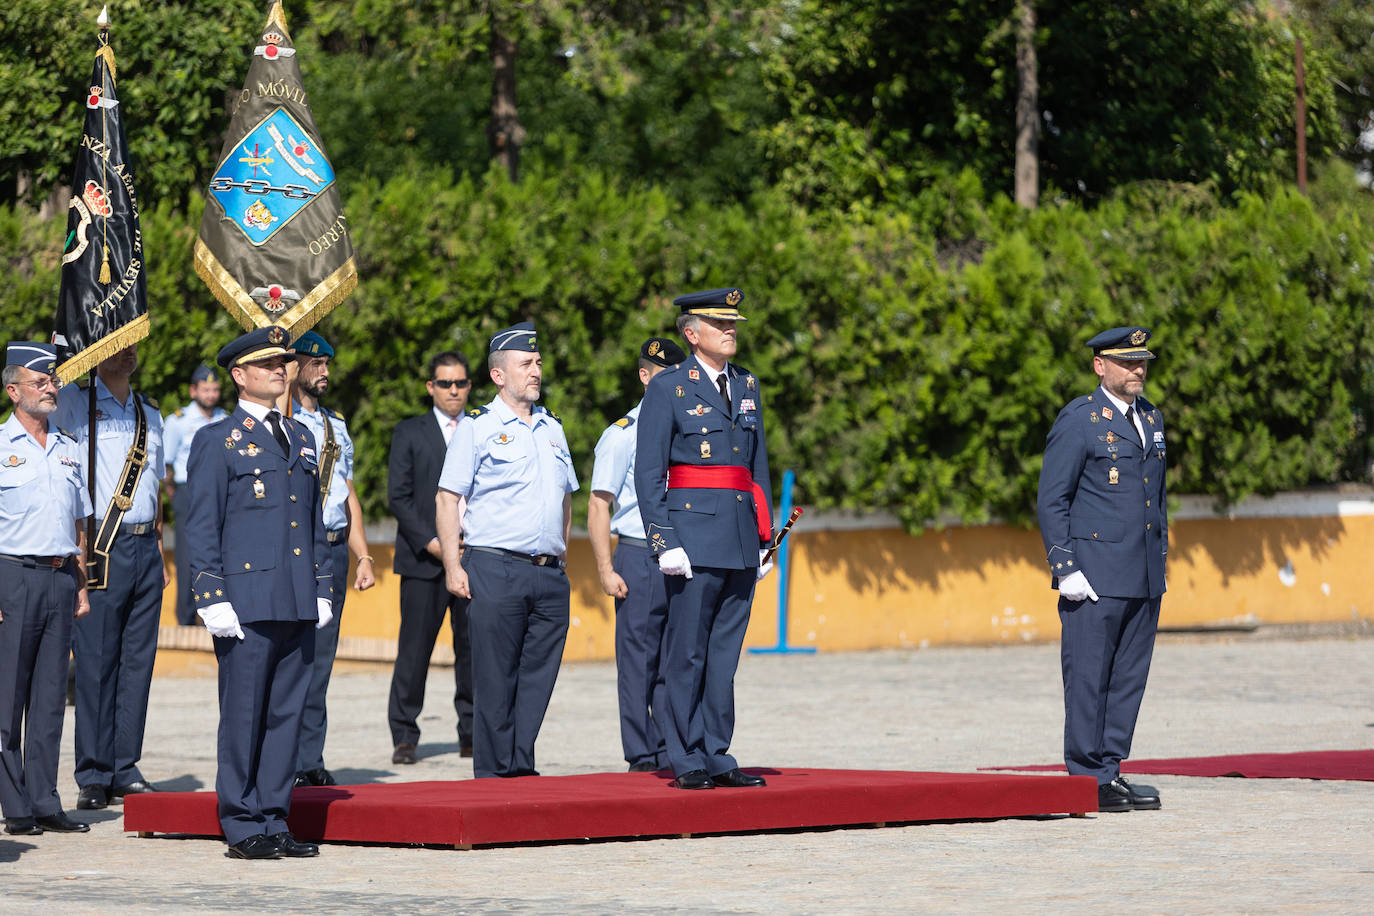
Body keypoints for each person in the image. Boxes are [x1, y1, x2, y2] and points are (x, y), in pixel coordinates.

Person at [183, 325, 333, 859]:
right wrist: (210, 595)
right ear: (239, 374)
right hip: (246, 600)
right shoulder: (216, 440)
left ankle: (275, 816)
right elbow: (200, 524)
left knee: (287, 714)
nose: (279, 368)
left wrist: (320, 585)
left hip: (294, 596)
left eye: (283, 361)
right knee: (244, 713)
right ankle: (242, 822)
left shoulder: (304, 436)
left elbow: (312, 521)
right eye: (267, 361)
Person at [634, 288, 774, 790]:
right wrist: (662, 540)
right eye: (719, 324)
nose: (730, 330)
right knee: (687, 652)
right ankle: (686, 755)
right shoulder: (668, 387)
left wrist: (765, 538)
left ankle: (717, 751)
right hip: (690, 536)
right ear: (692, 334)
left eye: (733, 323)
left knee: (723, 654)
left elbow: (756, 468)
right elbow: (648, 472)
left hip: (738, 537)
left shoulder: (748, 384)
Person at [436, 322, 577, 778]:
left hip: (548, 574)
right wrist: (454, 566)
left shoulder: (553, 427)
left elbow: (566, 498)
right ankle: (493, 780)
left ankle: (520, 767)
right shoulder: (477, 428)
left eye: (537, 363)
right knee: (495, 680)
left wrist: (562, 558)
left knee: (537, 679)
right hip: (496, 568)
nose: (536, 371)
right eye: (526, 364)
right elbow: (447, 498)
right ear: (500, 375)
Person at [1036, 325, 1167, 814]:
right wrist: (1065, 568)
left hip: (1142, 574)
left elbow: (1158, 500)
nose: (1137, 370)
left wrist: (1161, 564)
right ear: (1100, 365)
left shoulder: (1151, 418)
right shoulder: (1081, 420)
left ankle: (1111, 769)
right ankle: (1086, 776)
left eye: (1142, 362)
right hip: (1093, 576)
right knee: (1090, 677)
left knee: (1128, 678)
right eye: (1127, 362)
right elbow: (1053, 500)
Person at [53, 344, 166, 812]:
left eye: (133, 345)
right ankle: (94, 771)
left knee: (137, 661)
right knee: (97, 660)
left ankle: (125, 765)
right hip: (100, 545)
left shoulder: (150, 413)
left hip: (145, 544)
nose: (127, 354)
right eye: (115, 346)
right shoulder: (77, 404)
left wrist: (159, 539)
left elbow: (158, 482)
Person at [0, 343, 93, 835]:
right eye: (41, 382)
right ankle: (14, 806)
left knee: (52, 696)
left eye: (54, 380)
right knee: (8, 697)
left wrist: (80, 584)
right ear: (14, 390)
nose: (53, 387)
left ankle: (43, 798)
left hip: (60, 578)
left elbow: (79, 523)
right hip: (12, 576)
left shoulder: (69, 446)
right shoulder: (0, 445)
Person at [588, 337, 687, 772]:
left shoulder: (687, 430)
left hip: (681, 557)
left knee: (674, 658)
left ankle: (670, 749)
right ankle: (642, 754)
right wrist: (605, 568)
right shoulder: (622, 434)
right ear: (644, 376)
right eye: (663, 377)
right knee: (638, 664)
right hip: (638, 555)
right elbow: (597, 505)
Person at [287, 331, 375, 787]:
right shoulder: (279, 422)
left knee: (321, 660)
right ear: (294, 367)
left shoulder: (334, 425)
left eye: (327, 365)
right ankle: (284, 757)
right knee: (289, 658)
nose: (323, 372)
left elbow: (347, 493)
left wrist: (363, 555)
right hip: (294, 551)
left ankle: (309, 759)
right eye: (314, 364)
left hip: (334, 550)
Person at [386, 350, 475, 766]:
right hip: (424, 562)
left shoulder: (481, 430)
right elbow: (399, 498)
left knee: (473, 650)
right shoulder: (409, 432)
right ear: (431, 387)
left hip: (474, 559)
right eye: (445, 383)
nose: (453, 390)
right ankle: (404, 735)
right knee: (414, 652)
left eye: (459, 383)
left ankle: (472, 733)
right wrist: (436, 544)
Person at [163, 364, 226, 626]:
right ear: (193, 390)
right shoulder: (178, 421)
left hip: (220, 493)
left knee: (220, 554)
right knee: (188, 556)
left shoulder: (226, 418)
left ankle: (217, 614)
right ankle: (186, 619)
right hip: (188, 493)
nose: (211, 395)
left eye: (215, 390)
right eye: (206, 389)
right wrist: (175, 496)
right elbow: (166, 466)